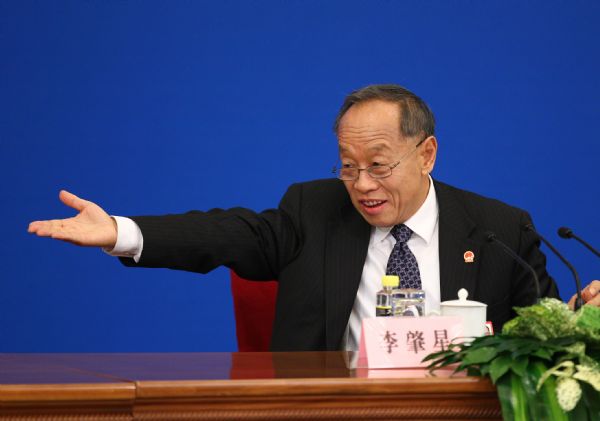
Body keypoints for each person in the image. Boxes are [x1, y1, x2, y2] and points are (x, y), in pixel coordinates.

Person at [28, 84, 599, 351]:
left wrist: (572, 320)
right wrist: (123, 232)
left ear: (426, 154)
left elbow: (534, 329)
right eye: (348, 167)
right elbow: (229, 233)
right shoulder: (312, 209)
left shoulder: (498, 227)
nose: (362, 186)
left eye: (378, 165)